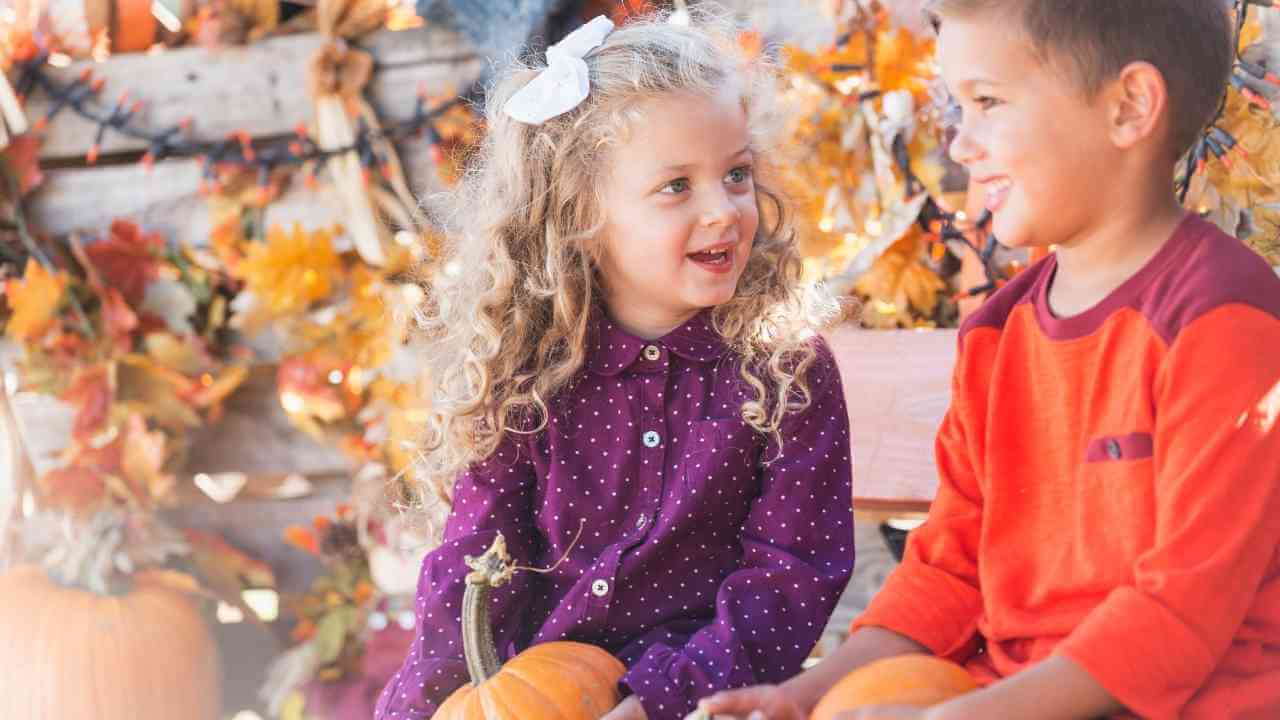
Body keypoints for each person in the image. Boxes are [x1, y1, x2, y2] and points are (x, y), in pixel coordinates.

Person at [700, 1, 1280, 718]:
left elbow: (1184, 607)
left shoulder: (1222, 320)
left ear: (1129, 107)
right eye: (956, 106)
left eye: (987, 103)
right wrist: (803, 695)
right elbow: (948, 572)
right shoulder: (996, 337)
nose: (961, 143)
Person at [375, 9, 855, 720]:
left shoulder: (784, 374)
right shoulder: (527, 378)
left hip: (710, 700)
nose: (724, 210)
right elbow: (473, 573)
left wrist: (656, 700)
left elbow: (787, 580)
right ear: (580, 216)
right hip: (543, 695)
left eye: (737, 174)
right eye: (677, 186)